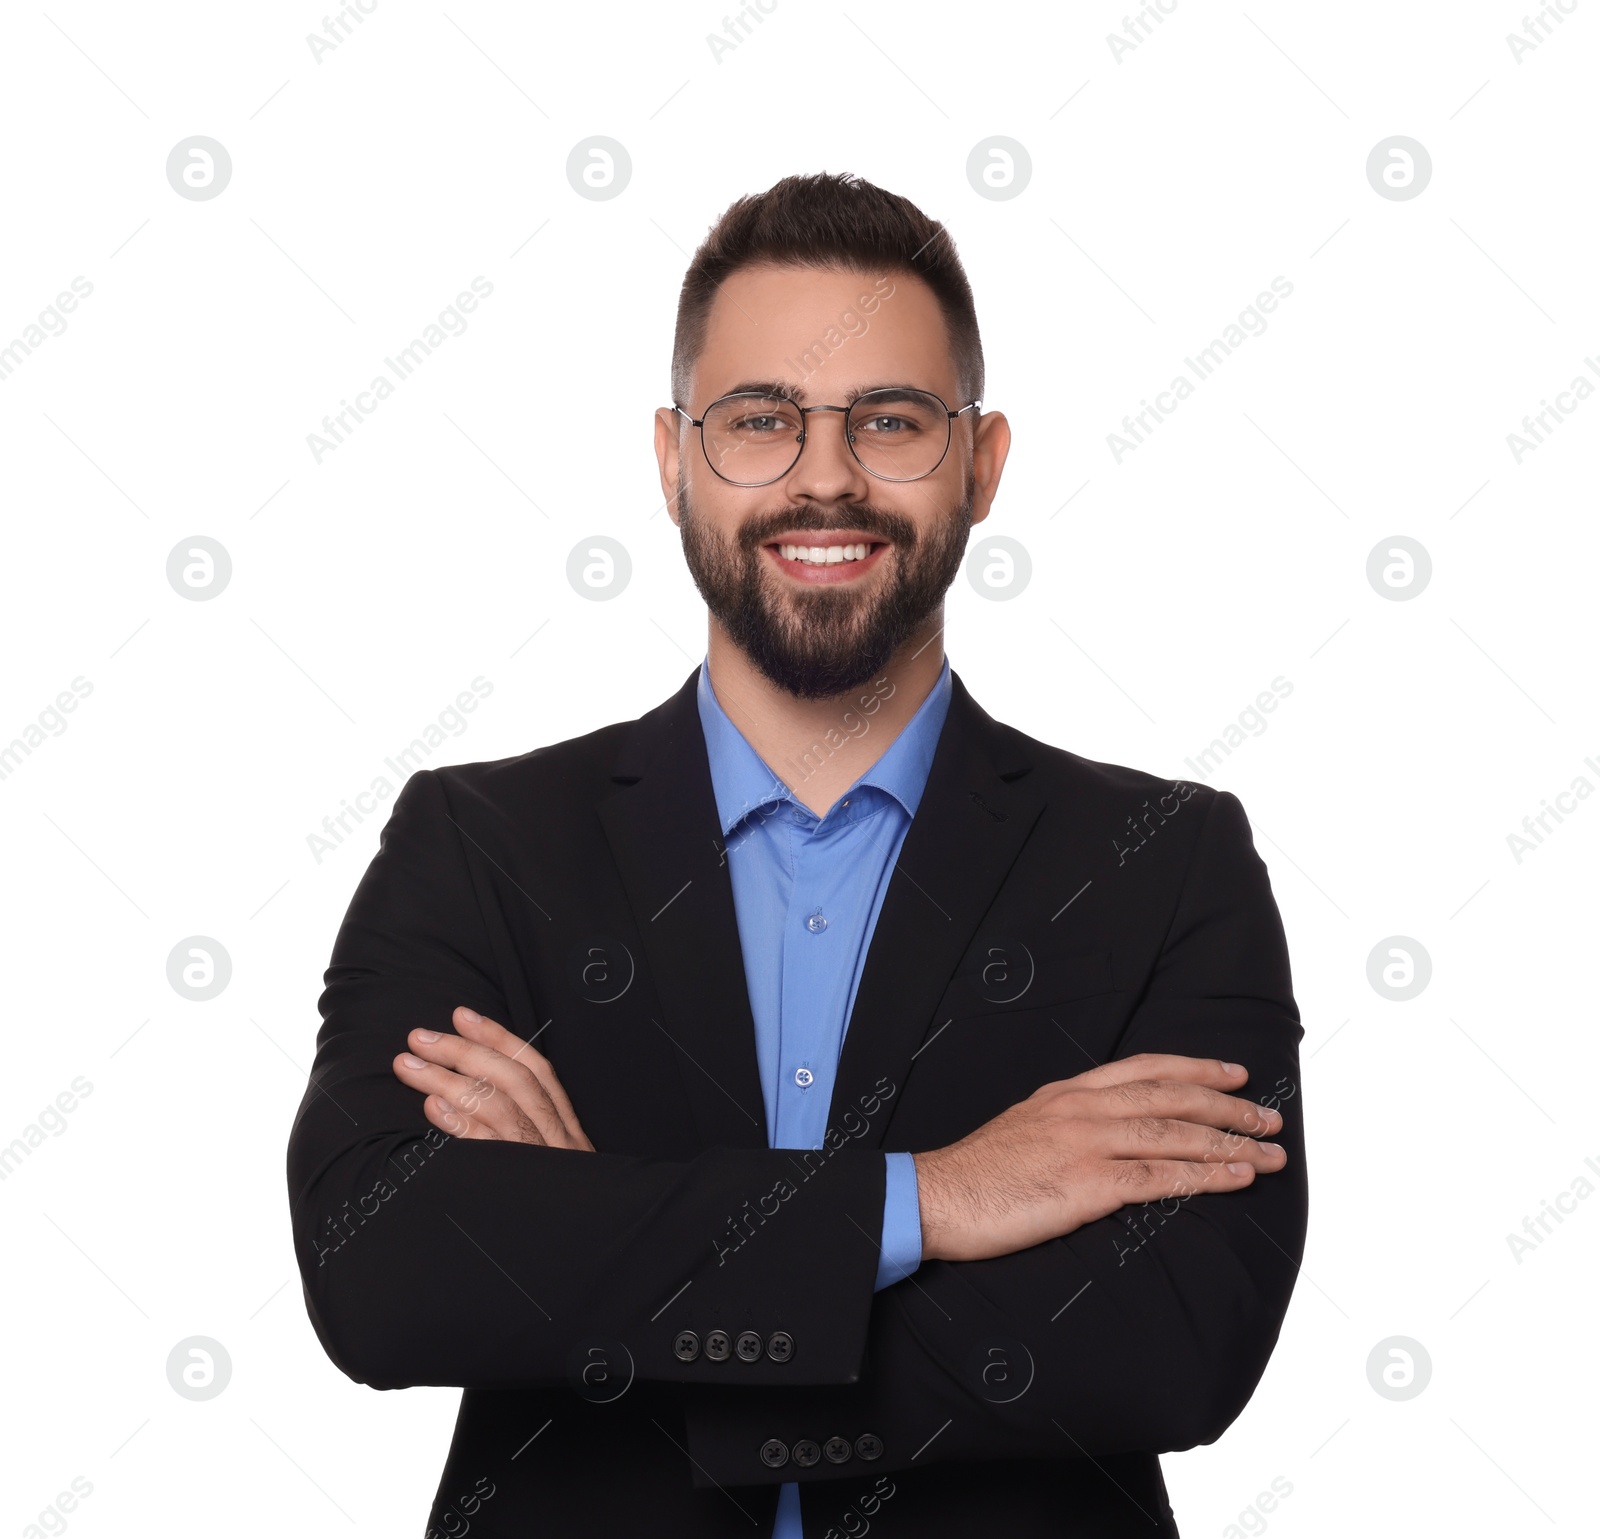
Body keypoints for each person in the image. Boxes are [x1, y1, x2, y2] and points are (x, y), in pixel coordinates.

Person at [286, 170, 1306, 1538]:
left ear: (985, 463)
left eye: (890, 421)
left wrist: (599, 1251)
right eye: (759, 420)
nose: (825, 476)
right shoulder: (481, 847)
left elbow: (1179, 1344)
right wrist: (938, 1200)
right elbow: (382, 1273)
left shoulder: (1165, 863)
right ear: (672, 461)